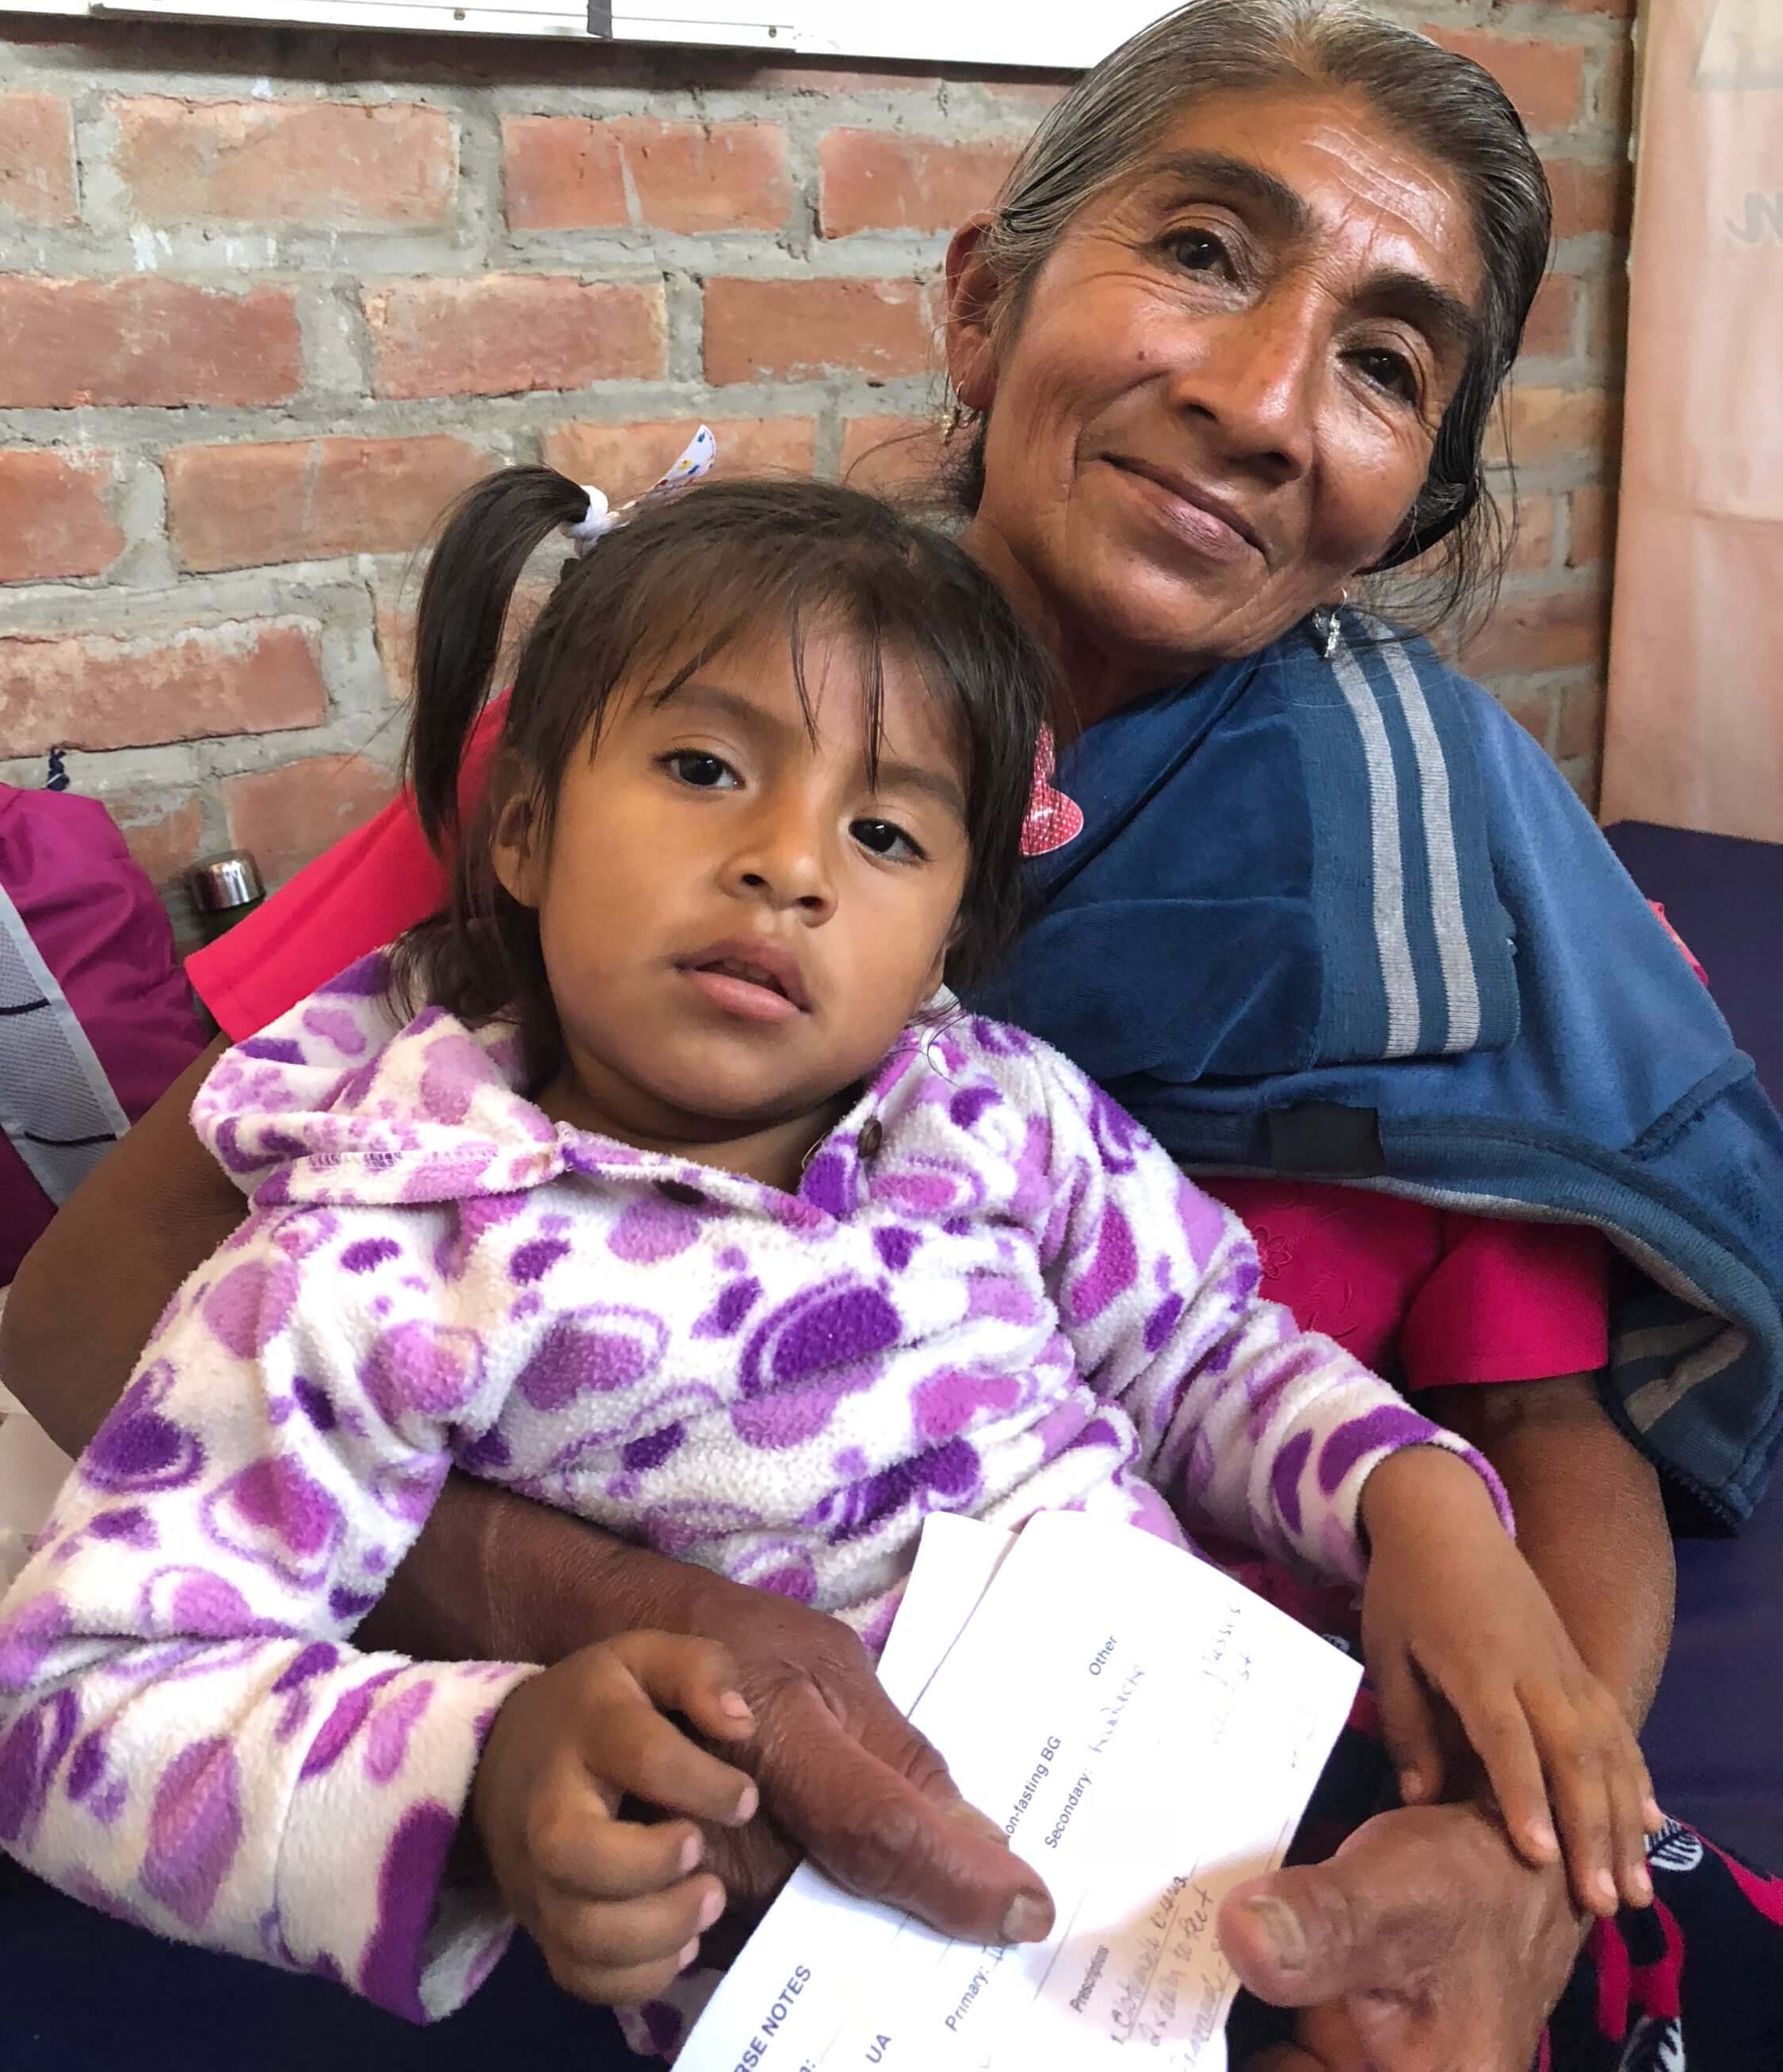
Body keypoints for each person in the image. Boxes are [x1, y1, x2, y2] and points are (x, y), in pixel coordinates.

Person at [9, 0, 1783, 2070]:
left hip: (1265, 1796)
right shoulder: (649, 730)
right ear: (981, 308)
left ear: (1410, 494)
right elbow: (84, 1303)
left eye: (1384, 363)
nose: (1264, 397)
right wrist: (626, 1640)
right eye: (1201, 250)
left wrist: (1511, 1854)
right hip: (745, 1894)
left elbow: (1534, 1439)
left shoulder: (1423, 854)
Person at [0, 474, 1648, 2056]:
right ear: (518, 829)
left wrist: (1411, 1503)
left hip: (1228, 1820)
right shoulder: (386, 1251)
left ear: (950, 927)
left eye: (880, 829)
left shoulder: (994, 1111)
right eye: (708, 769)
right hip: (872, 1997)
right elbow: (77, 1706)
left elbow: (1202, 1346)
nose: (790, 862)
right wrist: (493, 1776)